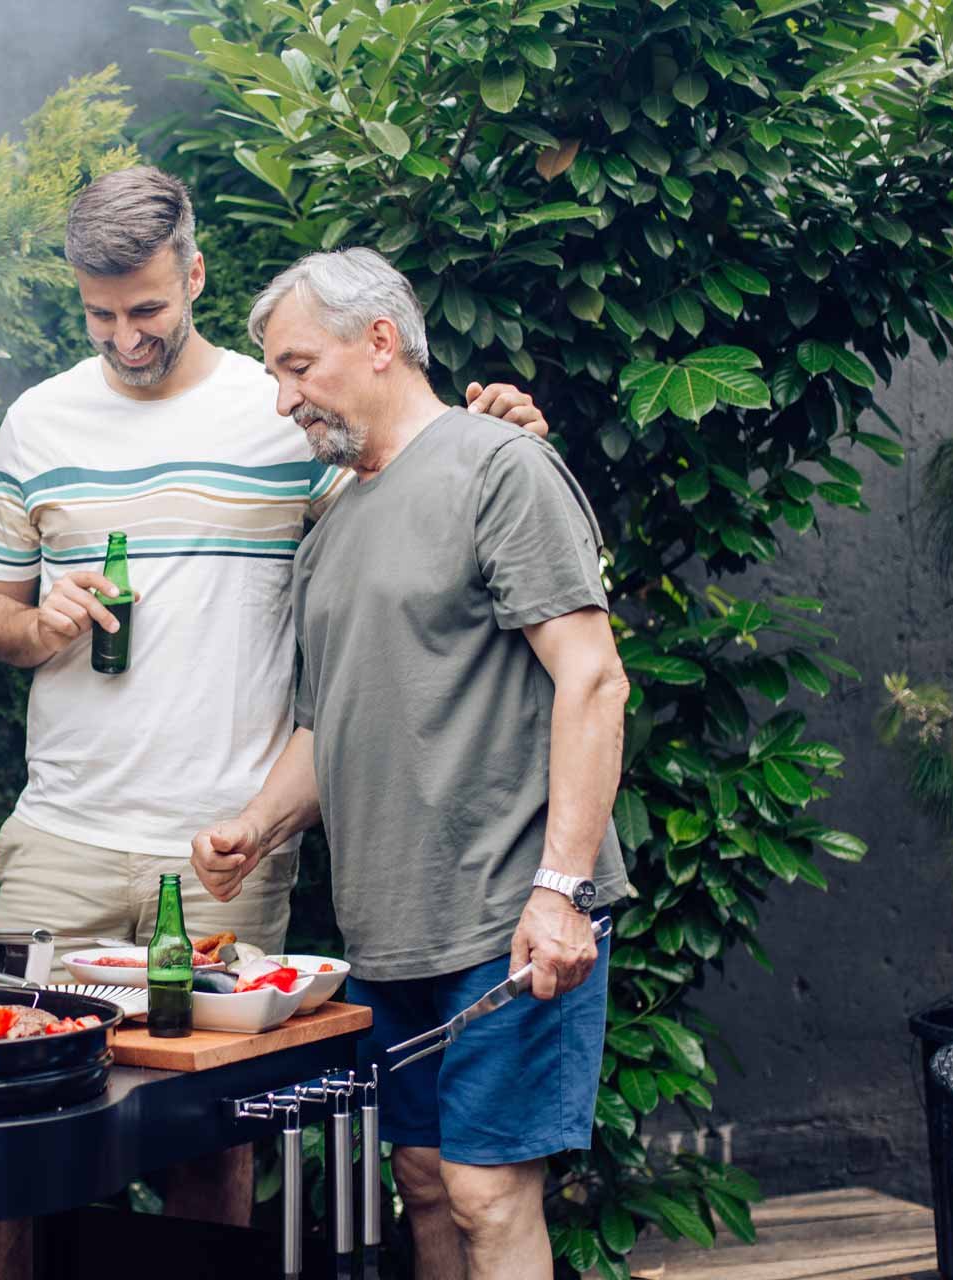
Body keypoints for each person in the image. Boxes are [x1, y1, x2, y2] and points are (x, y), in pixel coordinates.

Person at [0, 167, 549, 1249]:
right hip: (61, 833)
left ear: (192, 273)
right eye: (100, 314)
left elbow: (408, 491)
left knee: (208, 1134)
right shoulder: (36, 420)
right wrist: (36, 623)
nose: (126, 335)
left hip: (228, 837)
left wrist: (496, 426)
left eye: (147, 308)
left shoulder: (281, 408)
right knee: (20, 1122)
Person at [190, 246, 631, 1280]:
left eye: (298, 365)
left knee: (487, 1193)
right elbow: (329, 720)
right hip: (391, 930)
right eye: (275, 373)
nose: (283, 396)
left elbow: (593, 679)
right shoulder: (333, 519)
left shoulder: (498, 467)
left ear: (380, 341)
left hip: (505, 912)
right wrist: (257, 824)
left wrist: (561, 889)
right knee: (426, 1183)